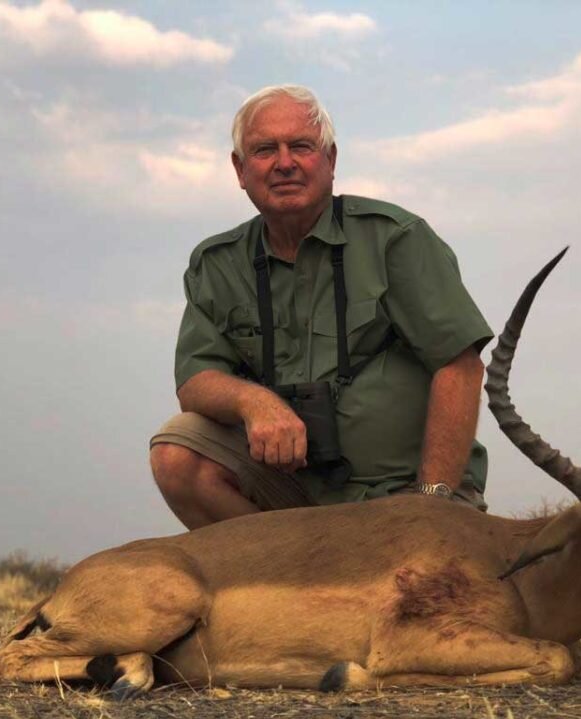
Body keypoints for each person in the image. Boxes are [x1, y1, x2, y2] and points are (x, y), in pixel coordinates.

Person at [149, 84, 493, 529]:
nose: (284, 163)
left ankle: (405, 532)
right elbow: (195, 380)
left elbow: (461, 367)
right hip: (294, 500)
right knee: (178, 454)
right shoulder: (216, 264)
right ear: (239, 169)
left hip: (404, 494)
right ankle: (281, 584)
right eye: (264, 150)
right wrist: (255, 403)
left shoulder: (395, 238)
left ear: (330, 160)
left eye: (301, 147)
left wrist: (431, 501)